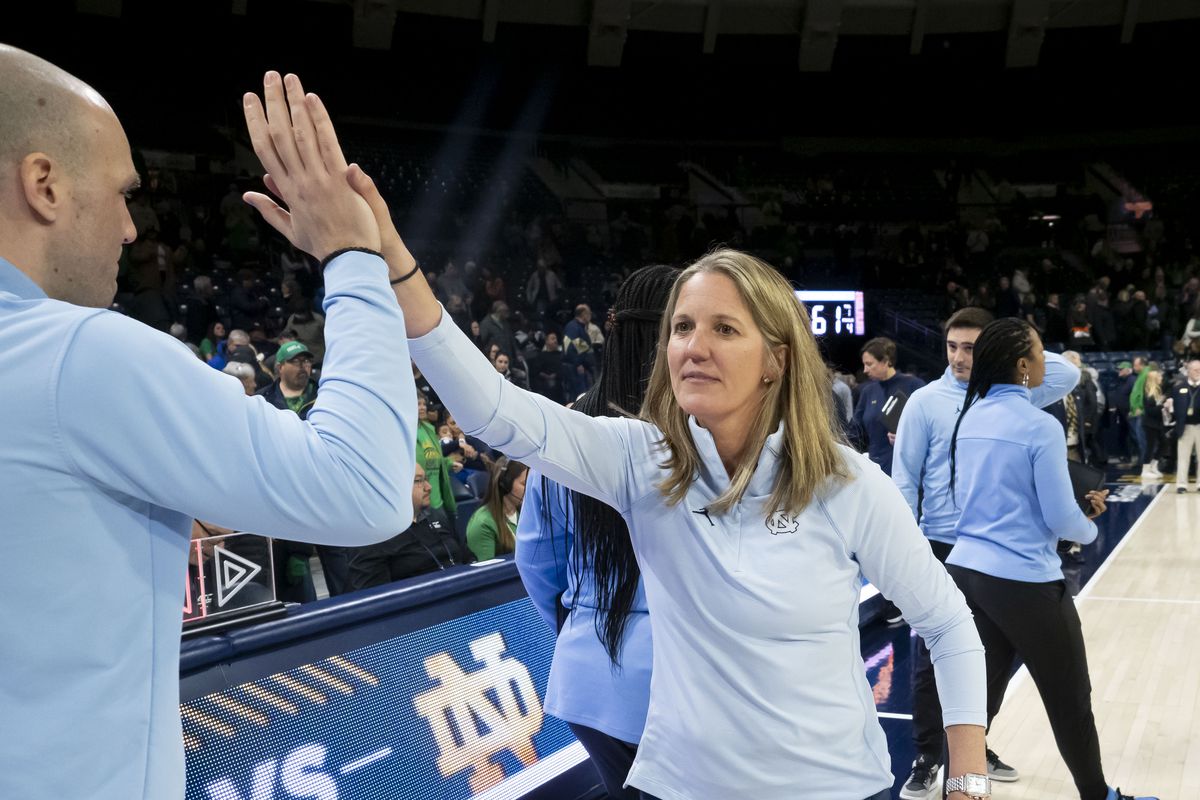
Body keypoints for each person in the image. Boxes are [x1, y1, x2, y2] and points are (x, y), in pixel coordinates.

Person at [338, 142, 989, 800]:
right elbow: (494, 411)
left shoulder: (845, 483)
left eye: (724, 329)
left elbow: (947, 622)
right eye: (681, 327)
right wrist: (392, 260)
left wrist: (967, 778)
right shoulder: (639, 460)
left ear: (777, 359)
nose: (693, 347)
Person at [0, 60, 417, 800]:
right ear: (45, 185)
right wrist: (354, 257)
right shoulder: (80, 354)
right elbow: (367, 487)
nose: (132, 228)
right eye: (124, 193)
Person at [947, 318, 1156, 800]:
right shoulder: (1039, 425)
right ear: (1022, 364)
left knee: (977, 702)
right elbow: (1064, 521)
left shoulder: (969, 415)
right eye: (1040, 353)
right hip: (1024, 582)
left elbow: (977, 497)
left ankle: (960, 789)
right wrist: (1088, 523)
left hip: (966, 573)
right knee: (1070, 700)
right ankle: (1098, 796)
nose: (1048, 361)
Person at [893, 306, 1082, 799]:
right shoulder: (925, 402)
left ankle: (973, 750)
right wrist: (906, 552)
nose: (959, 357)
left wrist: (1016, 345)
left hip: (991, 551)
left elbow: (1069, 370)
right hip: (939, 544)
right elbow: (903, 481)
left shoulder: (1014, 392)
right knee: (931, 659)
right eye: (952, 346)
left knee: (989, 662)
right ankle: (927, 754)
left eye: (972, 348)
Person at [516, 264, 679, 800]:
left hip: (590, 678)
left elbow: (538, 562)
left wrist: (581, 620)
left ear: (612, 331)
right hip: (685, 682)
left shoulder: (566, 432)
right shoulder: (703, 433)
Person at [347, 463, 469, 590]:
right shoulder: (373, 536)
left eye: (426, 479)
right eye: (418, 481)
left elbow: (467, 559)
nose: (429, 487)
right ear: (391, 488)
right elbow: (374, 597)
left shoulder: (436, 516)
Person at [852, 336, 924, 476]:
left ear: (886, 361)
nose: (865, 370)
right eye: (864, 364)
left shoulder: (914, 386)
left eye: (869, 364)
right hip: (876, 472)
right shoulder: (867, 392)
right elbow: (855, 431)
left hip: (907, 471)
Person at [465, 456, 528, 560]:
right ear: (505, 485)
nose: (530, 488)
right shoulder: (483, 522)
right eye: (524, 483)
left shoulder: (526, 513)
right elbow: (487, 573)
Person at [417, 392, 461, 526]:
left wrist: (448, 463)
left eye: (424, 404)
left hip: (439, 499)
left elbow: (435, 458)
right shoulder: (405, 434)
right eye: (418, 404)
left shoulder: (428, 429)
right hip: (420, 504)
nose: (423, 407)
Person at [257, 339, 318, 417]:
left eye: (306, 361)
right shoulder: (263, 399)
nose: (303, 366)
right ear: (280, 367)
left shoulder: (322, 394)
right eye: (296, 361)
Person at [1167, 358, 1200, 493]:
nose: (1198, 372)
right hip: (1184, 427)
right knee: (1183, 457)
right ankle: (1181, 484)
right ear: (1188, 371)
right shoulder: (1179, 388)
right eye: (1195, 369)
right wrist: (1169, 408)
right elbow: (1172, 407)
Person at [1140, 366, 1166, 481]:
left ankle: (1153, 466)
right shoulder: (1148, 393)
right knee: (1150, 446)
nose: (1161, 378)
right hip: (1150, 424)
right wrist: (1162, 405)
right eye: (1159, 376)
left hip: (1158, 423)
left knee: (1164, 444)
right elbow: (1150, 411)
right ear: (1154, 379)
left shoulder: (1158, 390)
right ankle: (1145, 470)